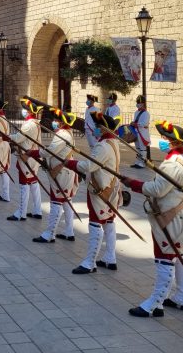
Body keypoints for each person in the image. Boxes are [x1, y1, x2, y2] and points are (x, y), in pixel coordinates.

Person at [121, 120, 183, 318]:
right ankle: (182, 297)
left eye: (164, 138)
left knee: (165, 257)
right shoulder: (180, 159)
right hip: (178, 215)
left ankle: (155, 304)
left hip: (170, 218)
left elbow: (157, 189)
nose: (161, 141)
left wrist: (134, 184)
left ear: (172, 142)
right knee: (179, 254)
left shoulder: (173, 164)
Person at [64, 112, 121, 274]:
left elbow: (89, 166)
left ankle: (90, 262)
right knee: (108, 222)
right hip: (110, 188)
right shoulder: (112, 142)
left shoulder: (102, 146)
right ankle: (110, 258)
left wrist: (71, 163)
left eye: (97, 127)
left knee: (96, 222)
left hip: (101, 189)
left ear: (103, 129)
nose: (95, 129)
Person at [32, 107, 80, 243]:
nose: (53, 122)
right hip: (64, 172)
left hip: (61, 173)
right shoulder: (66, 132)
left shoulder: (63, 134)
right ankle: (69, 231)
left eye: (56, 120)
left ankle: (49, 233)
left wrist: (34, 152)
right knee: (66, 201)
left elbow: (51, 151)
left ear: (60, 122)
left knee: (56, 201)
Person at [8, 99, 43, 221]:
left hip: (27, 158)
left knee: (24, 184)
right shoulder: (35, 123)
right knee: (33, 183)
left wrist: (7, 137)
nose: (23, 111)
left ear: (29, 111)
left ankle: (21, 213)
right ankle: (37, 210)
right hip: (33, 158)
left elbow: (18, 138)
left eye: (25, 109)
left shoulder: (29, 124)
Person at [130, 95, 151, 169]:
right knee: (138, 148)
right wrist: (133, 123)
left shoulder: (146, 113)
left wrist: (136, 124)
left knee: (142, 148)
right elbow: (136, 121)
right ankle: (137, 162)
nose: (138, 104)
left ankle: (142, 163)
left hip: (142, 132)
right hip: (136, 132)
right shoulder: (136, 112)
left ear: (143, 104)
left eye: (140, 103)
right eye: (137, 102)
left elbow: (145, 123)